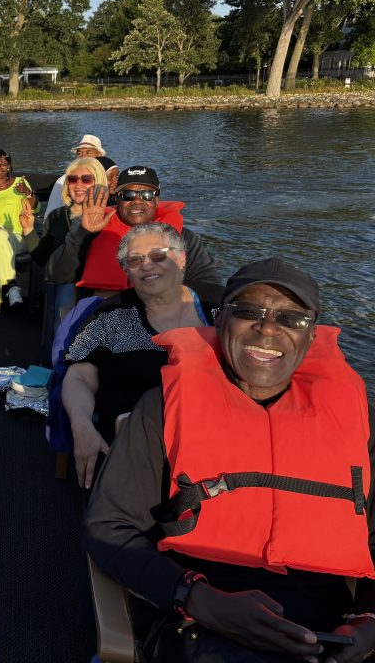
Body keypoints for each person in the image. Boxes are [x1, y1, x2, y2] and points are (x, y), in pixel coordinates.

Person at [85, 257, 375, 663]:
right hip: (198, 621)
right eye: (248, 311)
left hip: (327, 630)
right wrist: (196, 597)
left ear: (311, 336)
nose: (268, 329)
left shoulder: (356, 421)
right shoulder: (162, 409)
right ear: (220, 320)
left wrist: (368, 623)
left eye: (291, 318)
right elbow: (108, 526)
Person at [62, 223, 216, 489]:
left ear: (181, 259)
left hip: (214, 445)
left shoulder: (222, 308)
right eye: (135, 260)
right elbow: (79, 376)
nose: (147, 265)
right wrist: (82, 425)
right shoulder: (110, 316)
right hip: (133, 449)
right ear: (127, 272)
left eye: (157, 255)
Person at [47, 165, 221, 297]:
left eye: (147, 195)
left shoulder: (183, 237)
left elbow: (209, 284)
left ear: (157, 199)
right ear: (117, 199)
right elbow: (56, 275)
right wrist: (83, 233)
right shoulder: (91, 232)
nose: (137, 201)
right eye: (128, 195)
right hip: (104, 312)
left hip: (164, 314)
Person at [31, 157, 108, 326]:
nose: (78, 185)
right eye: (72, 179)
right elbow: (42, 259)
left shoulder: (110, 214)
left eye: (86, 179)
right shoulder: (56, 216)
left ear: (99, 182)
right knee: (67, 293)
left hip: (100, 283)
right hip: (66, 281)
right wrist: (28, 231)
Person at [0, 148, 39, 315]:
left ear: (9, 166)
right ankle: (11, 285)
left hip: (19, 236)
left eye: (4, 164)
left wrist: (28, 194)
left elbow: (35, 209)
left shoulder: (20, 183)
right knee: (0, 235)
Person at [44, 134, 108, 218]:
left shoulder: (110, 177)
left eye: (88, 152)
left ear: (99, 155)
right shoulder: (63, 180)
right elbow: (52, 211)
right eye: (79, 153)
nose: (83, 156)